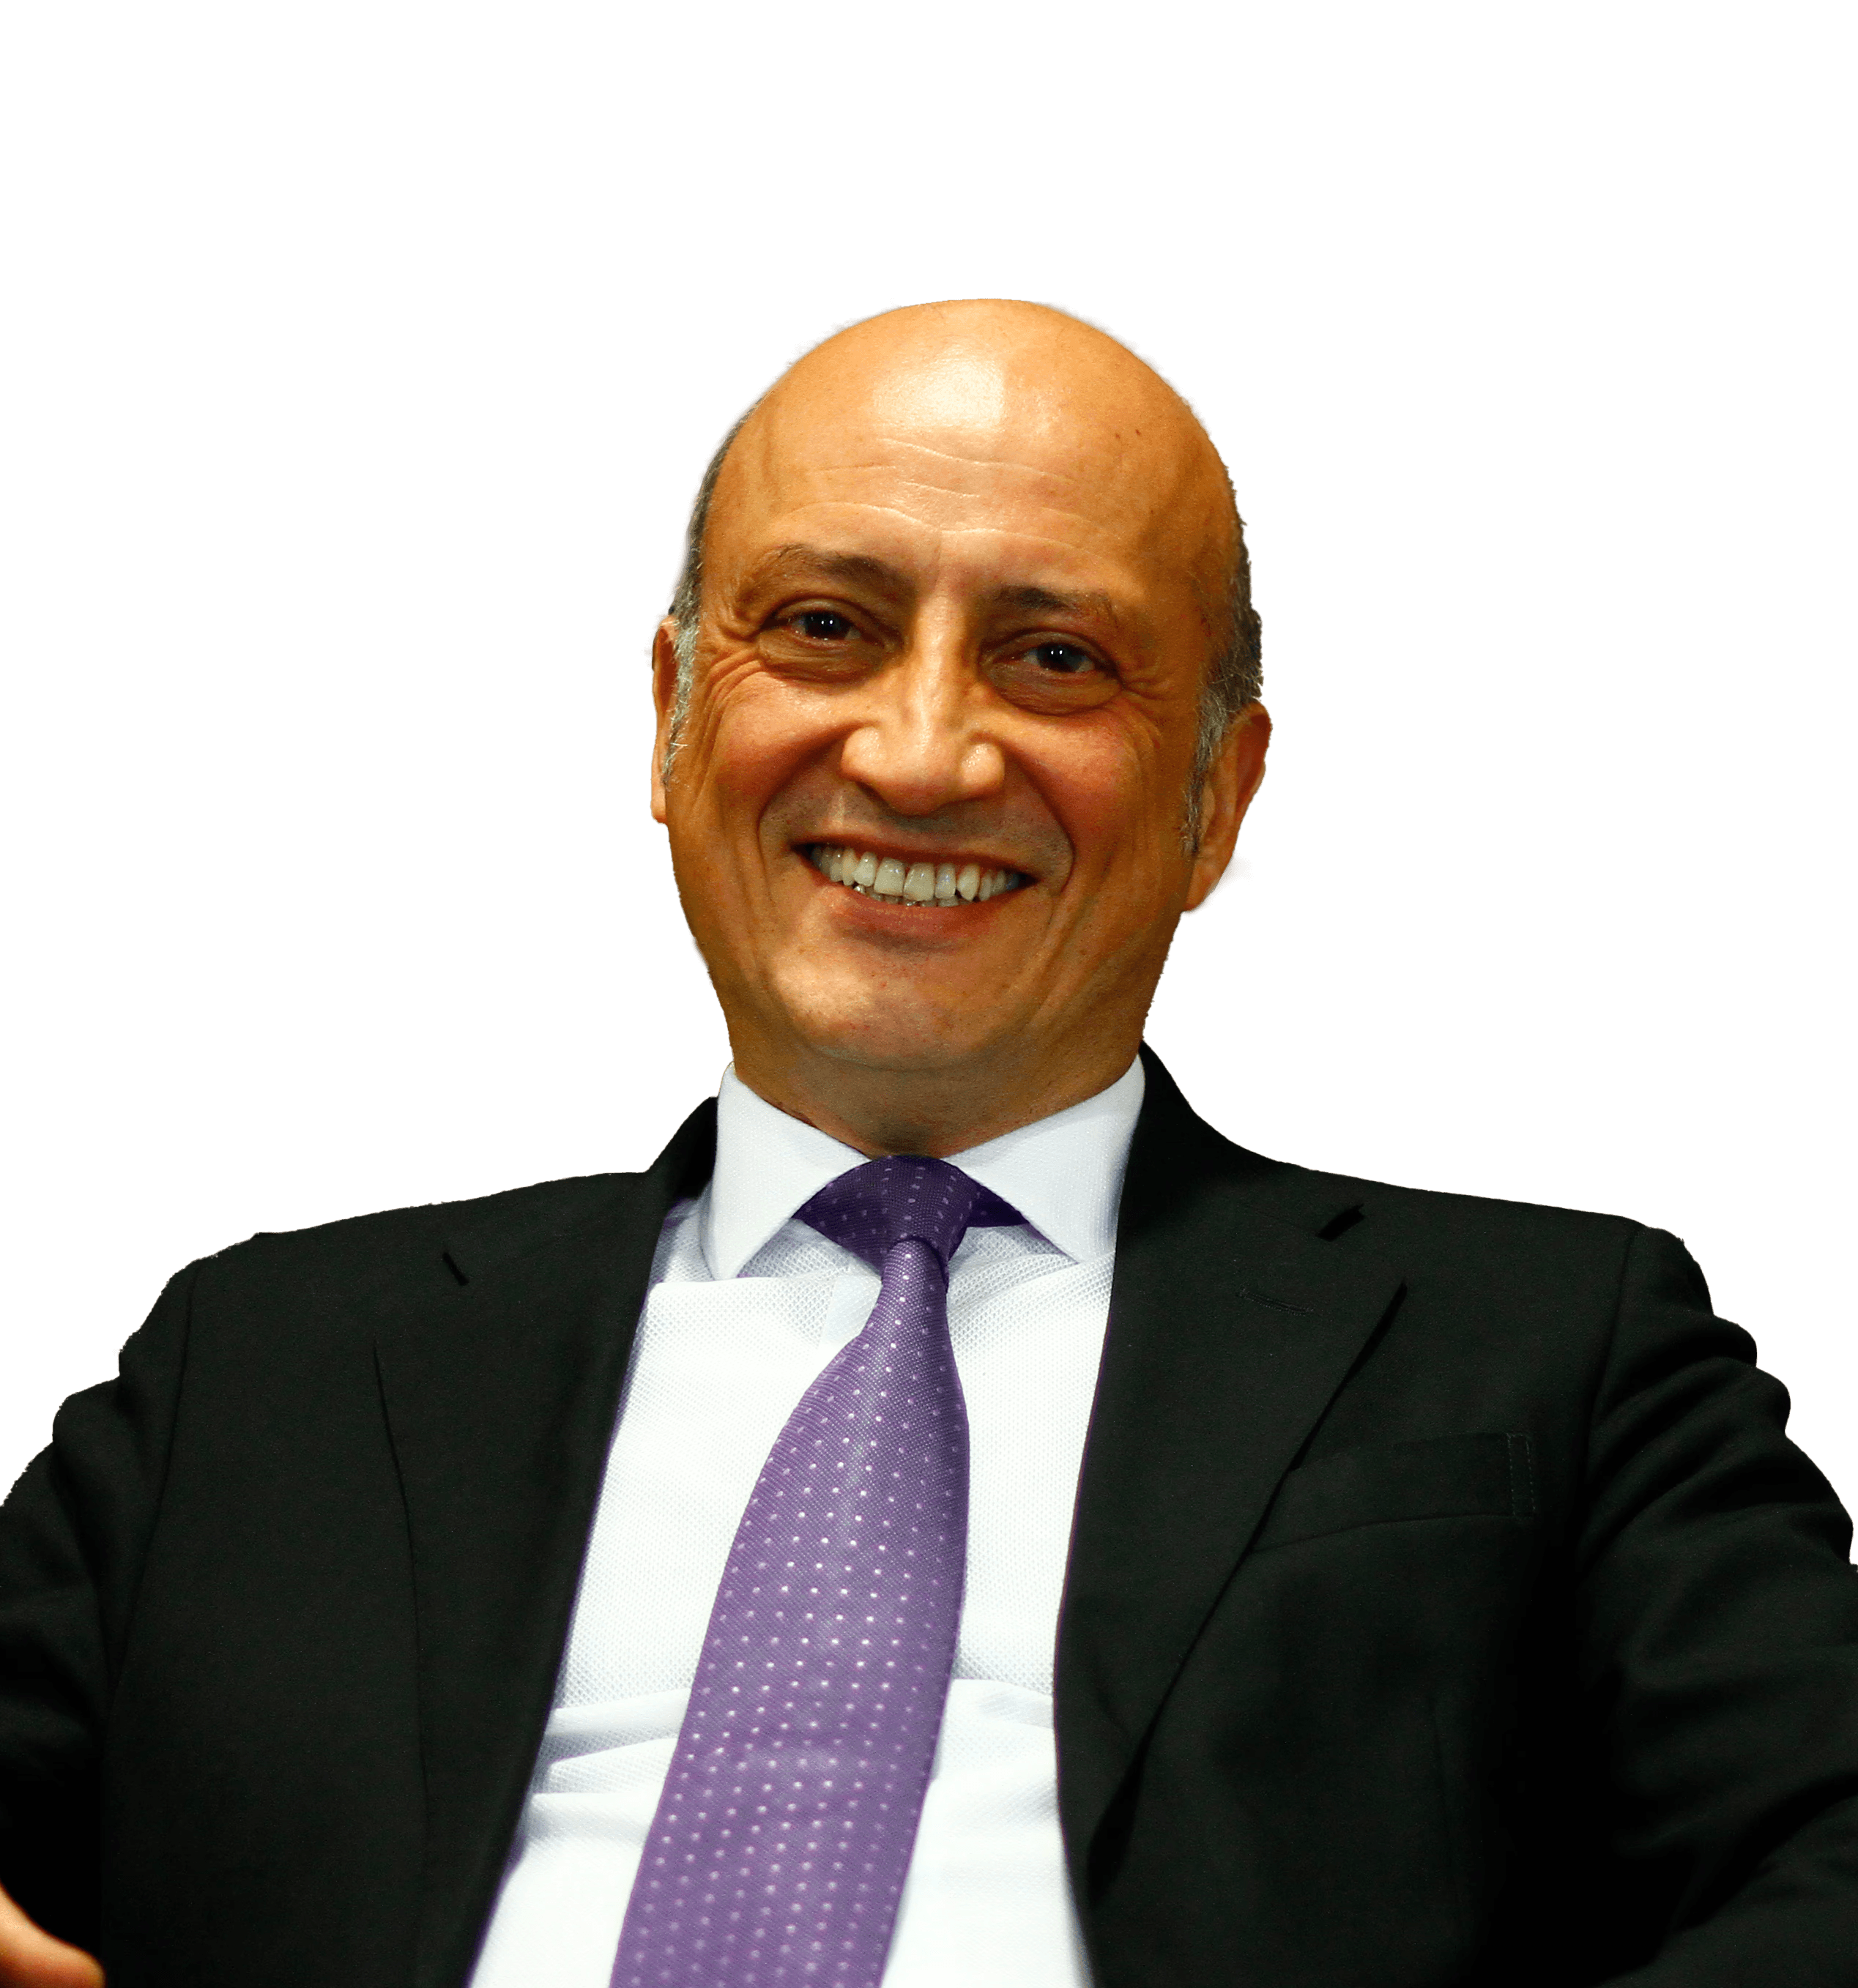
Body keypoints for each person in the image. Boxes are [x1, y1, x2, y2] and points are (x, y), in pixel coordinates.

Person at [1, 297, 1854, 1988]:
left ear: (1217, 804)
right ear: (669, 715)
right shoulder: (263, 1361)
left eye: (1054, 657)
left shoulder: (1558, 1346)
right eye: (825, 628)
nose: (918, 755)